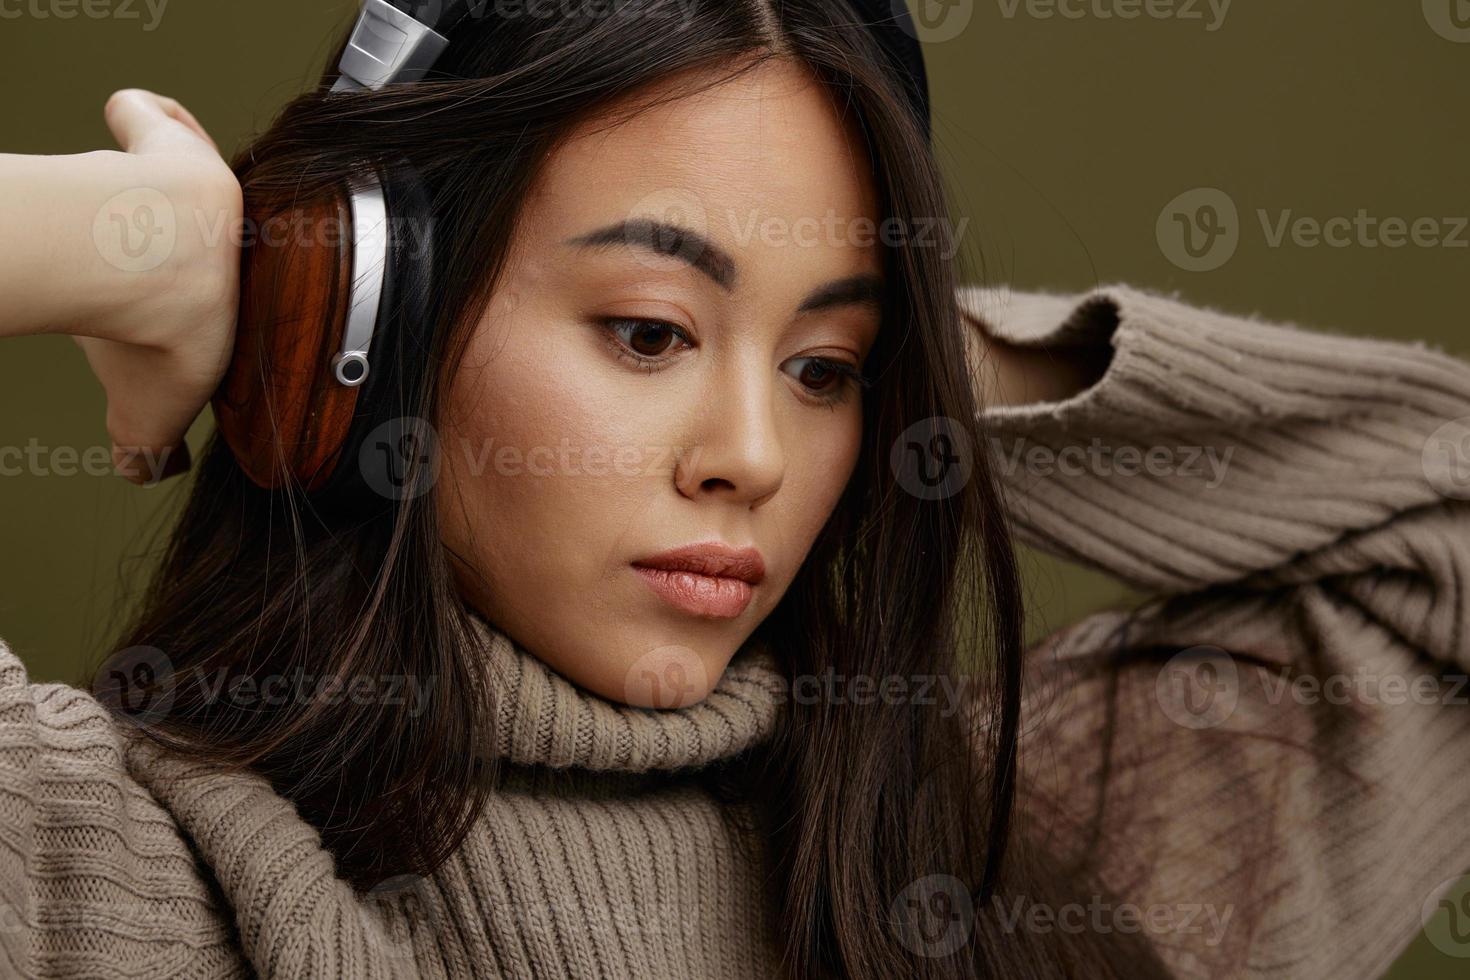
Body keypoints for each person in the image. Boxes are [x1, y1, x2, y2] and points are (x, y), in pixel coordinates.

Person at [1, 1, 1468, 977]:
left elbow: (1441, 528)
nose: (752, 457)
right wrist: (164, 253)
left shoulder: (1010, 872)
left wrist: (930, 373)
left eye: (826, 374)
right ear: (383, 333)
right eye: (649, 332)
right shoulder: (103, 861)